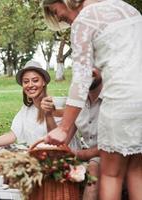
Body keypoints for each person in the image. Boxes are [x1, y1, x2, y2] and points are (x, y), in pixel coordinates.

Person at [40, 0, 142, 199]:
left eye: (55, 10)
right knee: (137, 173)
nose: (59, 16)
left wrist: (63, 128)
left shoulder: (84, 20)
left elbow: (81, 78)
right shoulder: (127, 8)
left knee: (111, 175)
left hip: (120, 101)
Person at [0, 60, 63, 149]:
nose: (30, 85)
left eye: (35, 80)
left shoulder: (56, 105)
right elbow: (13, 135)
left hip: (58, 158)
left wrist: (48, 114)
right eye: (26, 82)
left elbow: (57, 141)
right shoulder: (26, 109)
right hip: (36, 155)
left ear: (44, 82)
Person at [67, 68, 102, 200]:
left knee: (93, 165)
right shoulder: (77, 98)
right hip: (89, 153)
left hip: (116, 153)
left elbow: (117, 142)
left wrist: (83, 154)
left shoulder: (114, 97)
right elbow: (64, 136)